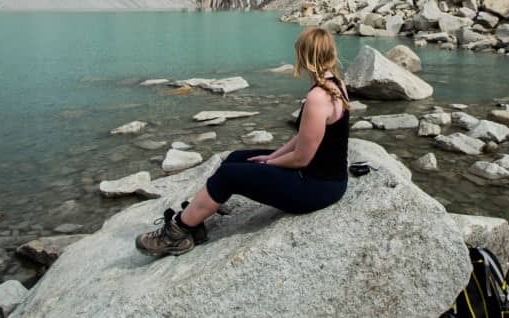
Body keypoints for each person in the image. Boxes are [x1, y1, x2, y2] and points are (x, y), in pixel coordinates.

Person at [136, 27, 351, 257]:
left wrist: (268, 165)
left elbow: (301, 158)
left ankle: (176, 234)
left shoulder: (317, 97)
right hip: (322, 178)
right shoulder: (336, 85)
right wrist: (272, 156)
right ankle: (196, 221)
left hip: (316, 187)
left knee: (229, 176)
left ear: (304, 56)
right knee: (237, 158)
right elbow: (304, 137)